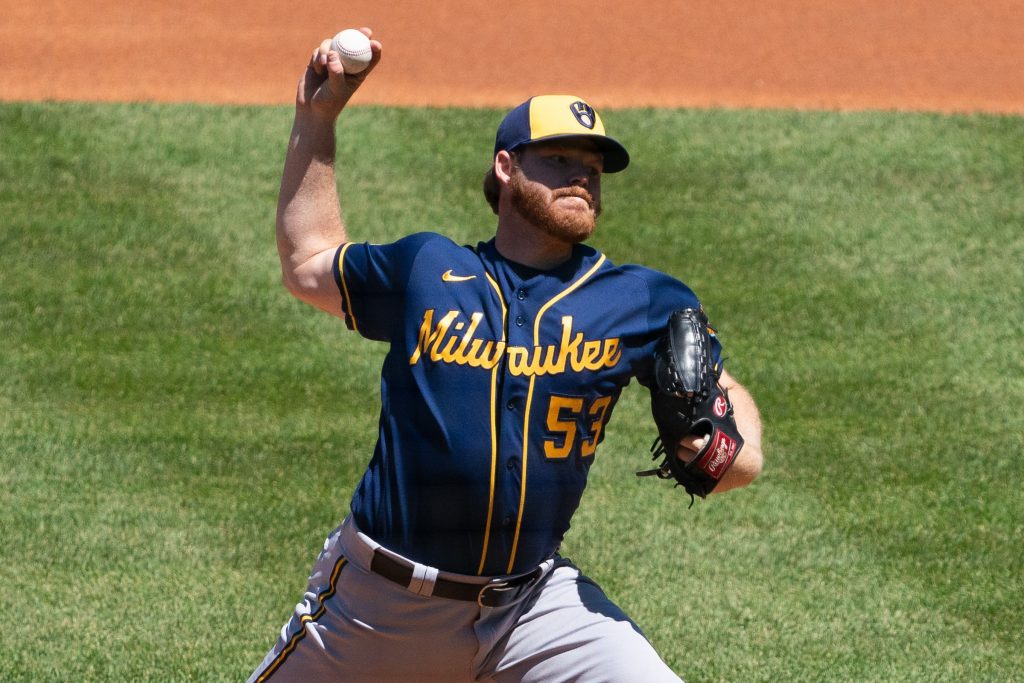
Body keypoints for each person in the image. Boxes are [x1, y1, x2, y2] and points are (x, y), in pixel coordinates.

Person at [249, 27, 763, 683]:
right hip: (379, 609)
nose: (583, 173)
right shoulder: (428, 269)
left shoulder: (639, 299)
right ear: (505, 167)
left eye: (594, 165)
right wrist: (316, 118)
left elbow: (739, 448)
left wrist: (713, 436)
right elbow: (308, 261)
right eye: (559, 158)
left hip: (531, 608)